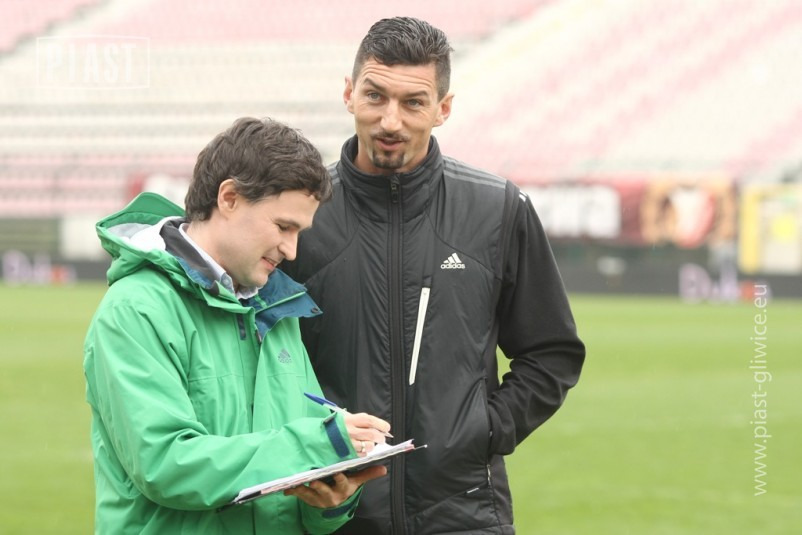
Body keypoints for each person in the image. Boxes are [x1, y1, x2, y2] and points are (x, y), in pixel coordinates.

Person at [282, 17, 586, 534]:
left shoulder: (496, 209)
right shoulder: (300, 215)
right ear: (349, 94)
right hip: (333, 514)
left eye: (413, 102)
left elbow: (551, 351)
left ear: (443, 108)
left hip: (465, 514)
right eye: (375, 96)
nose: (391, 121)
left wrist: (483, 430)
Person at [83, 117, 391, 534]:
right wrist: (314, 445)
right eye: (283, 226)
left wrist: (333, 495)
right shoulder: (136, 309)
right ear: (229, 198)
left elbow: (299, 488)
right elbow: (166, 466)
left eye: (299, 232)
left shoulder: (278, 308)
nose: (292, 249)